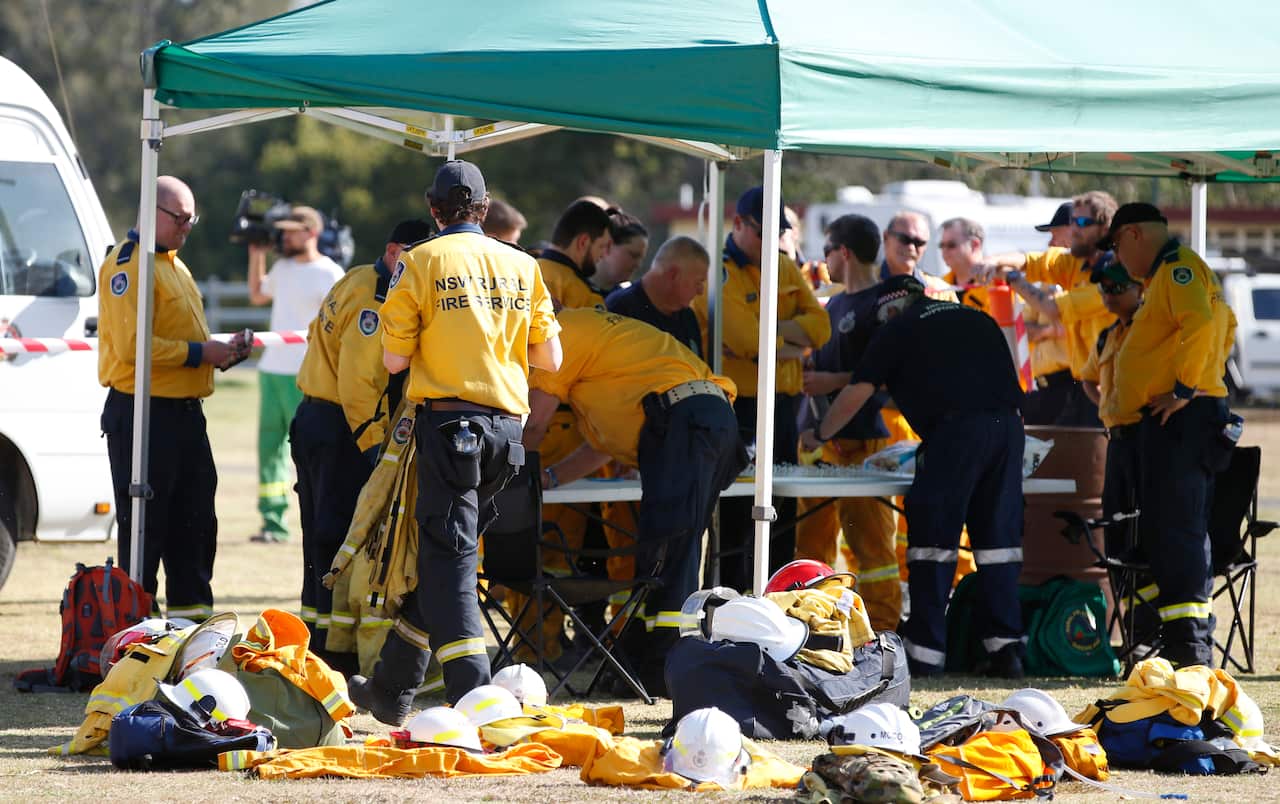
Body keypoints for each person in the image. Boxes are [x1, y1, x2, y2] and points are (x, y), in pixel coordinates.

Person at [349, 160, 561, 722]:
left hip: (448, 429)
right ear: (486, 210)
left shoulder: (419, 261)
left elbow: (394, 359)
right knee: (452, 556)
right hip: (507, 438)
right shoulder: (523, 264)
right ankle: (392, 688)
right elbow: (551, 358)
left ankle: (474, 696)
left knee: (451, 558)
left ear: (433, 209)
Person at [801, 274, 1026, 678]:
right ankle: (1006, 649)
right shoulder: (976, 318)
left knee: (932, 542)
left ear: (892, 304)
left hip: (955, 432)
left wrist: (819, 433)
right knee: (998, 543)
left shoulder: (898, 327)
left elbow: (858, 391)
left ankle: (924, 654)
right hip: (1008, 430)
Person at [524, 308, 746, 693]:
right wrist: (550, 477)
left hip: (685, 421)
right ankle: (648, 659)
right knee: (669, 552)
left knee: (668, 553)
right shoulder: (602, 352)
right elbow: (600, 448)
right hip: (704, 418)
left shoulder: (558, 335)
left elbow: (533, 423)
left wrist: (511, 476)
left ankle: (664, 668)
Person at [291, 218, 435, 676]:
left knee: (320, 536)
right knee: (335, 536)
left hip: (319, 418)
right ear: (395, 251)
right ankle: (333, 651)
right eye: (414, 257)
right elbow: (359, 384)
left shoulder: (355, 277)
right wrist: (376, 450)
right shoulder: (375, 298)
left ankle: (318, 640)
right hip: (343, 427)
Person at [98, 175, 244, 621]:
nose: (187, 227)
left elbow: (177, 339)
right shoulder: (129, 266)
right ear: (150, 212)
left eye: (191, 219)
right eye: (179, 218)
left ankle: (193, 640)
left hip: (183, 417)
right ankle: (139, 641)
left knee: (196, 531)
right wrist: (203, 352)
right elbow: (134, 348)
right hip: (145, 417)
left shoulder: (174, 265)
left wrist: (222, 354)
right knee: (146, 534)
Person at [1104, 202, 1237, 668]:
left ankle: (1190, 648)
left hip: (1184, 419)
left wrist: (1183, 387)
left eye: (1118, 245)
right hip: (1173, 423)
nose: (1118, 260)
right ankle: (1175, 641)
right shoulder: (1167, 275)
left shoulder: (1178, 271)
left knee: (1177, 529)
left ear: (1135, 234)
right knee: (1165, 530)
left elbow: (1200, 324)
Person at [691, 185, 831, 590]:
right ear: (737, 224)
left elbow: (820, 329)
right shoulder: (719, 270)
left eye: (777, 231)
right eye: (761, 230)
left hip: (783, 407)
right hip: (739, 407)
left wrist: (770, 339)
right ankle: (729, 603)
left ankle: (781, 601)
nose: (772, 240)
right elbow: (746, 341)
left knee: (782, 510)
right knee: (737, 514)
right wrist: (789, 340)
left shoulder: (784, 266)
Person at [795, 214, 899, 630]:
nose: (822, 263)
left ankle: (885, 631)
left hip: (863, 444)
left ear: (844, 252)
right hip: (819, 446)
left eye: (826, 252)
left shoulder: (883, 305)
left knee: (872, 548)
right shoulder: (833, 303)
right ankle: (810, 627)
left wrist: (830, 380)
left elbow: (889, 378)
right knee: (811, 544)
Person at [979, 191, 1120, 427]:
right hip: (1088, 389)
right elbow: (1032, 261)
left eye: (1083, 222)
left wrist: (1012, 278)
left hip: (1115, 392)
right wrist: (992, 261)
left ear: (1105, 229)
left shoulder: (1114, 273)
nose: (1074, 228)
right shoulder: (1079, 263)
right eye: (1073, 221)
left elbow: (1053, 308)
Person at [246, 205, 344, 543]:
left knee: (304, 450)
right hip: (271, 370)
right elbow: (258, 294)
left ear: (310, 233)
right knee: (268, 449)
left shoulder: (330, 273)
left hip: (304, 375)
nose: (284, 237)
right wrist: (256, 255)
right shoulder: (283, 267)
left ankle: (317, 517)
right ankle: (272, 522)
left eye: (291, 231)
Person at [605, 235, 707, 359]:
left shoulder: (688, 318)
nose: (701, 291)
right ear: (673, 274)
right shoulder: (619, 310)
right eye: (698, 282)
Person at [537, 200, 613, 311]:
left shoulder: (524, 272)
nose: (604, 254)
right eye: (601, 246)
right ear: (583, 242)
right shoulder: (583, 293)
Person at [878, 211, 957, 301]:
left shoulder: (942, 292)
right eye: (904, 239)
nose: (911, 247)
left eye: (919, 243)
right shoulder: (864, 283)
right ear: (886, 237)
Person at [938, 217, 992, 315]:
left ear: (974, 245)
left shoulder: (996, 284)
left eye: (951, 245)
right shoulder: (939, 286)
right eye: (942, 245)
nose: (944, 251)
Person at [592, 208, 649, 294]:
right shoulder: (569, 288)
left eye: (641, 258)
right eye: (633, 255)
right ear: (607, 246)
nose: (638, 265)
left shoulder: (628, 299)